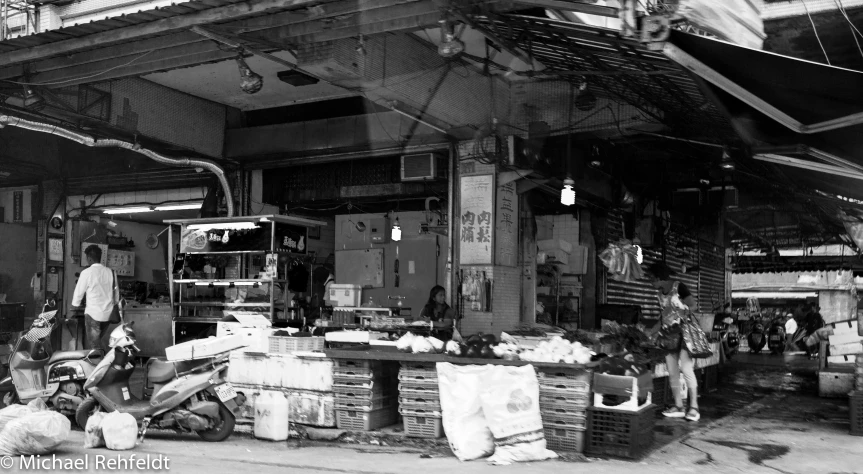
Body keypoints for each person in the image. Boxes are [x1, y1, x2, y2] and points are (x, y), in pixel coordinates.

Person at [647, 261, 700, 422]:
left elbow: (693, 306)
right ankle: (678, 406)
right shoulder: (659, 293)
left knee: (686, 368)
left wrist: (678, 309)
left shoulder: (679, 287)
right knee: (672, 370)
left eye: (652, 279)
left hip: (684, 334)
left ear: (659, 278)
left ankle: (694, 407)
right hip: (668, 335)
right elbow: (663, 317)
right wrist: (650, 332)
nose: (651, 282)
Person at [71, 245, 118, 352]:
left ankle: (98, 365)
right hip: (108, 315)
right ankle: (101, 362)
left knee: (94, 346)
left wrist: (74, 306)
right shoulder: (111, 272)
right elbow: (116, 294)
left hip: (93, 315)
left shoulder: (86, 273)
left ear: (89, 258)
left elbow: (78, 293)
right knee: (99, 342)